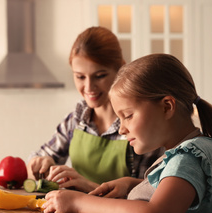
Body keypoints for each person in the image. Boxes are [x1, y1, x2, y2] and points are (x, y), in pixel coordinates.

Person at [42, 54, 212, 213]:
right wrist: (133, 185)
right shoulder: (193, 150)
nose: (121, 129)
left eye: (128, 115)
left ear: (166, 106)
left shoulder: (188, 156)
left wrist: (78, 203)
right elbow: (181, 196)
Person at [28, 27, 163, 193]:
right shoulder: (76, 119)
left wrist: (90, 187)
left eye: (99, 76)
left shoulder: (139, 123)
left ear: (121, 68)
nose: (89, 87)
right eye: (80, 77)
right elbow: (37, 160)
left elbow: (150, 193)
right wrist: (43, 162)